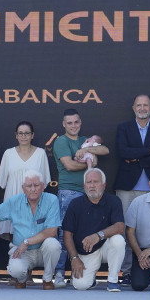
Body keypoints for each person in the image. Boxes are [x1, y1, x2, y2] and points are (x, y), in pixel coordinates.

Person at [114, 94, 150, 286]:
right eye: (139, 105)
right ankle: (127, 271)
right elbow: (123, 152)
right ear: (133, 108)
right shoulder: (123, 127)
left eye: (145, 105)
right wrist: (149, 150)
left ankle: (147, 270)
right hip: (127, 188)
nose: (142, 108)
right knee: (125, 230)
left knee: (148, 232)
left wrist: (136, 156)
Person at [52, 108, 109, 287]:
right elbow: (69, 165)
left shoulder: (86, 141)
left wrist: (89, 150)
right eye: (69, 123)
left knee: (86, 233)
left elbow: (102, 153)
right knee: (64, 234)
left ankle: (85, 274)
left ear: (80, 122)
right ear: (63, 124)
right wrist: (86, 162)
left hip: (89, 192)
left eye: (76, 122)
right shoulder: (61, 141)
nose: (73, 125)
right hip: (68, 192)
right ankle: (59, 273)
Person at [0, 171, 62, 290]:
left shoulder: (52, 200)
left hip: (43, 250)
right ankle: (21, 280)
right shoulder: (14, 201)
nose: (33, 189)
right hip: (22, 251)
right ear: (23, 188)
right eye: (29, 186)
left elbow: (51, 231)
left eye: (36, 185)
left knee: (53, 244)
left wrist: (27, 242)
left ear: (43, 186)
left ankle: (47, 280)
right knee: (16, 270)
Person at [62, 168, 125, 291]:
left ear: (104, 185)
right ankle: (91, 280)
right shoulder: (75, 204)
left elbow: (120, 226)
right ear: (84, 185)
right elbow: (67, 234)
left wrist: (98, 235)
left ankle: (112, 280)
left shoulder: (114, 201)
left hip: (106, 247)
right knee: (80, 285)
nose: (92, 185)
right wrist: (74, 258)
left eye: (96, 182)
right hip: (86, 252)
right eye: (88, 182)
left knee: (118, 240)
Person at [0, 120, 51, 240]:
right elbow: (2, 182)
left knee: (34, 237)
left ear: (32, 135)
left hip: (34, 202)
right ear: (16, 135)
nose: (23, 136)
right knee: (13, 238)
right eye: (20, 133)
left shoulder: (41, 153)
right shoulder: (8, 154)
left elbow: (44, 183)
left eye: (27, 133)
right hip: (13, 200)